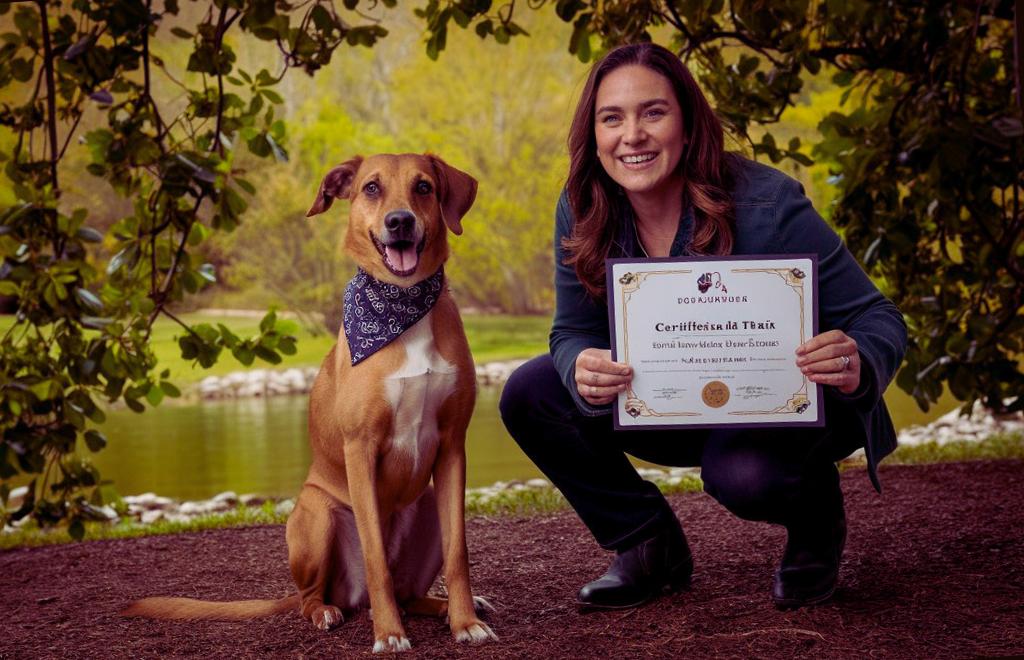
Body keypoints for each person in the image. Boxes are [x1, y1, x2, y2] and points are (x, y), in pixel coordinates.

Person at [499, 42, 907, 611]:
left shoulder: (769, 203)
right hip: (663, 401)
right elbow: (570, 332)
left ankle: (817, 519)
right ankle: (648, 544)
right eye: (612, 118)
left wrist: (856, 356)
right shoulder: (582, 205)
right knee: (530, 393)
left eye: (653, 113)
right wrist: (579, 365)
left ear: (688, 124)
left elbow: (878, 316)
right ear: (594, 135)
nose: (632, 135)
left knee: (741, 475)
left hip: (784, 411)